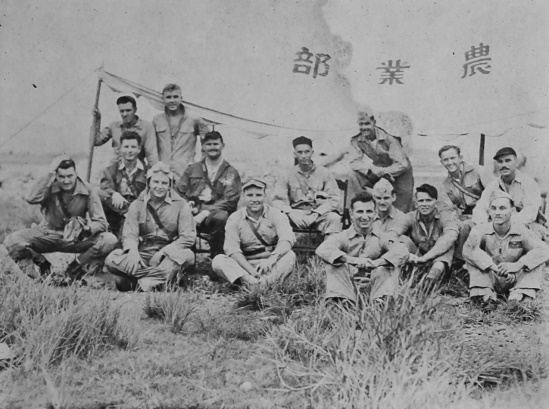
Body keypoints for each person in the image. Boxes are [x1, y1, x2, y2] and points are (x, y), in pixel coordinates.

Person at [4, 156, 117, 280]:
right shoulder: (49, 187)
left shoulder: (88, 189)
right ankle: (41, 274)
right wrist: (49, 173)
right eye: (62, 177)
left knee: (109, 240)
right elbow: (31, 198)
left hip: (75, 238)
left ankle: (74, 269)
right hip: (47, 234)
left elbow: (101, 222)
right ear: (56, 176)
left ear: (76, 174)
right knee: (12, 240)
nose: (66, 181)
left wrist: (85, 228)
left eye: (70, 176)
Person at [104, 162, 196, 291]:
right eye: (156, 182)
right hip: (143, 254)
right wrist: (133, 252)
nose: (159, 187)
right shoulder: (137, 205)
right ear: (148, 183)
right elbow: (130, 234)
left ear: (170, 185)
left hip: (168, 254)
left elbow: (188, 237)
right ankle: (156, 280)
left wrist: (162, 253)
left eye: (164, 183)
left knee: (188, 255)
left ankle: (138, 281)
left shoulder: (181, 205)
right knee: (111, 259)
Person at [315, 192, 409, 304]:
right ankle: (341, 300)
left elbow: (402, 251)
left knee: (391, 263)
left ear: (375, 214)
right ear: (351, 214)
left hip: (374, 286)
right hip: (347, 285)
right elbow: (322, 249)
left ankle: (381, 301)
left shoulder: (382, 236)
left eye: (369, 211)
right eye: (360, 212)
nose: (365, 217)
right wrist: (352, 260)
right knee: (332, 262)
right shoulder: (343, 236)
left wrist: (377, 263)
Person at [463, 191, 549, 308]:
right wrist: (494, 267)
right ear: (489, 211)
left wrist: (518, 265)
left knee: (536, 262)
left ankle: (518, 298)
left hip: (514, 278)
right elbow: (468, 250)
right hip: (491, 276)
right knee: (472, 260)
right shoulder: (480, 230)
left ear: (512, 211)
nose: (497, 213)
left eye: (502, 208)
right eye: (493, 208)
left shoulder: (521, 230)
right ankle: (486, 297)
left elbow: (543, 251)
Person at [324, 109, 414, 213]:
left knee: (402, 206)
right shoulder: (356, 139)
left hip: (399, 171)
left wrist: (383, 172)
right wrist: (370, 171)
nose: (364, 128)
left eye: (367, 124)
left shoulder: (389, 137)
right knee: (353, 175)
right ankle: (356, 211)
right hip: (377, 169)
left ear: (374, 123)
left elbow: (402, 164)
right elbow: (354, 162)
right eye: (361, 124)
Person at [212, 179, 296, 287]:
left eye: (258, 195)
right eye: (250, 195)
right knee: (218, 261)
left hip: (270, 262)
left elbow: (287, 239)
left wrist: (271, 260)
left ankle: (254, 285)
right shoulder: (235, 218)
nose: (254, 199)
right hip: (246, 264)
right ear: (243, 196)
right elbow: (232, 250)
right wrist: (251, 270)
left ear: (265, 196)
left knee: (290, 255)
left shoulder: (276, 214)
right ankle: (259, 284)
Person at [176, 131, 241, 258]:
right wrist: (187, 205)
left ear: (223, 145)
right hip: (194, 209)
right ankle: (187, 260)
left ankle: (217, 259)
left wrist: (205, 212)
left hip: (216, 212)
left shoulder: (230, 172)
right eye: (209, 144)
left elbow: (230, 199)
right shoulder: (192, 169)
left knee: (221, 218)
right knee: (179, 214)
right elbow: (179, 191)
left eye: (216, 144)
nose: (212, 147)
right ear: (203, 147)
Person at [389, 184, 459, 290]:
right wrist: (406, 254)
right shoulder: (409, 217)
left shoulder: (446, 216)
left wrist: (426, 258)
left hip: (440, 262)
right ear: (416, 204)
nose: (424, 204)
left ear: (436, 202)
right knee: (403, 239)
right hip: (418, 260)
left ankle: (431, 281)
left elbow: (450, 236)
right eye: (421, 201)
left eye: (428, 200)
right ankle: (409, 277)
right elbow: (392, 234)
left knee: (446, 243)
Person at [272, 136, 342, 236]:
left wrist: (316, 213)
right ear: (294, 154)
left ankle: (328, 250)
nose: (303, 156)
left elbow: (333, 198)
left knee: (334, 218)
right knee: (278, 218)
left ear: (312, 152)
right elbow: (278, 200)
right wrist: (291, 214)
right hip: (294, 214)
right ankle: (284, 249)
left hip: (318, 214)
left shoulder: (325, 173)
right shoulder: (287, 174)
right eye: (300, 152)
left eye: (307, 152)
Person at [439, 145, 486, 260]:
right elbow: (449, 209)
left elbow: (494, 194)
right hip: (465, 218)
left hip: (486, 215)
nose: (450, 162)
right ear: (442, 162)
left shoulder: (478, 171)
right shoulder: (446, 185)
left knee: (466, 227)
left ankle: (460, 259)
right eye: (446, 160)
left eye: (453, 158)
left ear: (460, 157)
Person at [473, 147, 542, 227]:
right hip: (497, 227)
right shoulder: (492, 185)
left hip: (525, 225)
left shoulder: (528, 183)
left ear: (516, 162)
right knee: (469, 227)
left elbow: (530, 212)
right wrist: (484, 225)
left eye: (508, 161)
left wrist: (505, 225)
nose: (504, 165)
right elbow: (480, 208)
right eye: (500, 162)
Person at [153, 83, 209, 180]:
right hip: (162, 174)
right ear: (163, 99)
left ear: (181, 98)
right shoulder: (157, 120)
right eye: (168, 97)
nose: (172, 100)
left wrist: (200, 165)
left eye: (175, 97)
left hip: (186, 174)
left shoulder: (194, 119)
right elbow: (151, 148)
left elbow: (208, 142)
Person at [99, 131, 148, 237]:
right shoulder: (111, 170)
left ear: (139, 149)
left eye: (133, 147)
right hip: (117, 210)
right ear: (120, 149)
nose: (129, 151)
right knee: (99, 193)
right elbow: (104, 188)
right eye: (126, 147)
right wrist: (114, 194)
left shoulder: (147, 171)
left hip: (139, 210)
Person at [93, 95, 158, 165]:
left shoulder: (147, 127)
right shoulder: (114, 126)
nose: (125, 114)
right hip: (115, 170)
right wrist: (97, 120)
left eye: (128, 110)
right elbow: (95, 141)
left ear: (135, 110)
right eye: (122, 111)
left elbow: (151, 155)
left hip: (137, 170)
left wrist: (154, 173)